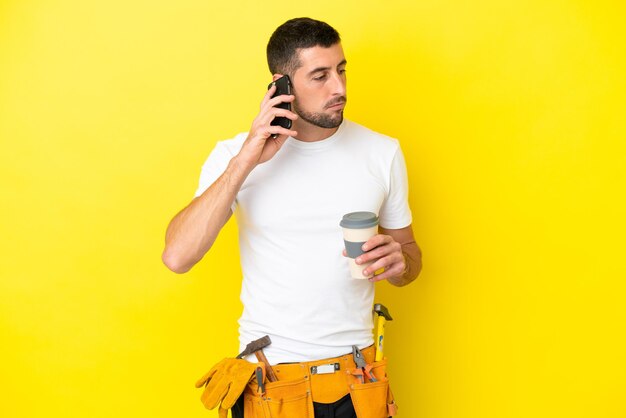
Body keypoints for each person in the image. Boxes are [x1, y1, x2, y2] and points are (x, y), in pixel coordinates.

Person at [162, 17, 422, 418]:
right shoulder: (236, 155)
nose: (339, 88)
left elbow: (409, 258)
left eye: (341, 70)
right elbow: (178, 256)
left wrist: (399, 262)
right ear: (280, 84)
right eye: (319, 76)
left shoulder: (382, 152)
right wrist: (247, 159)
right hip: (270, 387)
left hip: (358, 382)